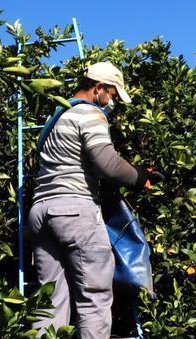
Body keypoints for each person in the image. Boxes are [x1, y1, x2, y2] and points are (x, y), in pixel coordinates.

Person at [28, 62, 163, 338]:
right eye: (112, 94)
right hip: (74, 211)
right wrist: (139, 177)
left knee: (50, 301)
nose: (111, 101)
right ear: (99, 88)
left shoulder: (58, 116)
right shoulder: (89, 114)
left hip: (40, 212)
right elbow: (108, 164)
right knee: (95, 298)